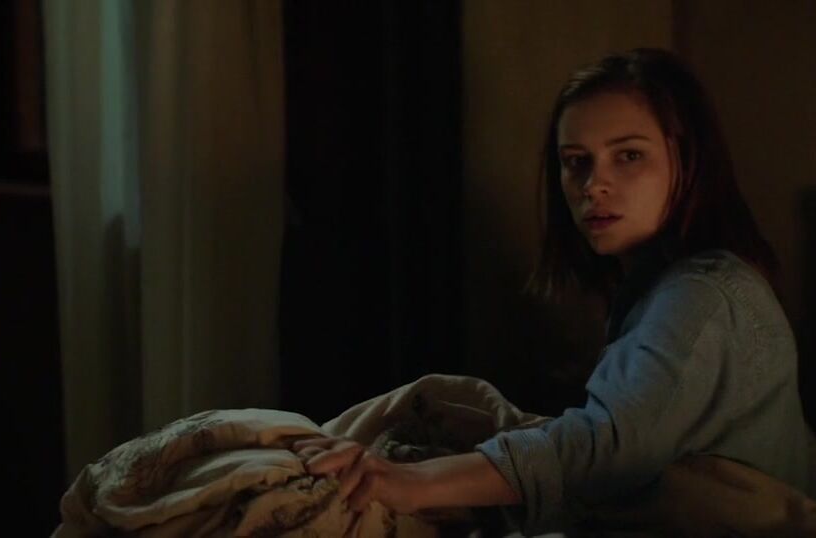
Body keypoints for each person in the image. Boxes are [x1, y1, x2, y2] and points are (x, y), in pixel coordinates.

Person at [291, 48, 814, 534]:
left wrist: (415, 481)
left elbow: (609, 445)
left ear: (689, 159)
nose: (593, 185)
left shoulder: (703, 293)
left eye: (629, 155)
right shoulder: (659, 290)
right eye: (576, 161)